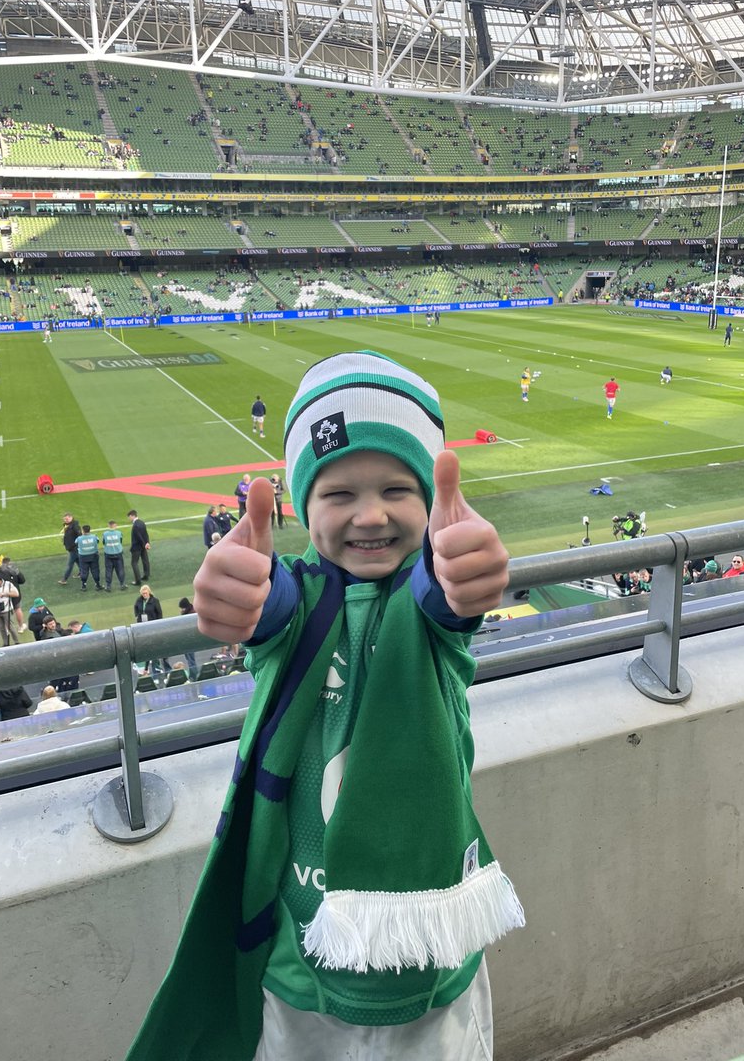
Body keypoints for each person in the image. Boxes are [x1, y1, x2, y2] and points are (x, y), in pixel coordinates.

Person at [126, 350, 523, 1061]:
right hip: (299, 964)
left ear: (430, 501)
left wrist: (471, 572)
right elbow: (268, 603)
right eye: (338, 495)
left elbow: (450, 599)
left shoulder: (427, 604)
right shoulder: (295, 604)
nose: (370, 515)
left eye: (398, 489)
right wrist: (234, 591)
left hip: (428, 974)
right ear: (302, 506)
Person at [135, 584, 168, 676]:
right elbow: (136, 608)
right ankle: (150, 665)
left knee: (154, 645)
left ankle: (157, 665)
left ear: (149, 592)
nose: (144, 595)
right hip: (143, 626)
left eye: (145, 593)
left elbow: (159, 613)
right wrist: (137, 617)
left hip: (153, 626)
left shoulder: (155, 601)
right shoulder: (139, 600)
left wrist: (159, 625)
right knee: (147, 645)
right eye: (143, 593)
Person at [0, 556, 26, 633]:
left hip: (3, 596)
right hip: (15, 594)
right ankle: (21, 627)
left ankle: (7, 629)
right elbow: (22, 580)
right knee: (17, 609)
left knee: (6, 612)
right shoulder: (14, 571)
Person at [177, 596, 199, 680]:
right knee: (190, 659)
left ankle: (194, 676)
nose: (181, 610)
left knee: (191, 660)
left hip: (190, 639)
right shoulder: (190, 611)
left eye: (182, 608)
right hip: (188, 639)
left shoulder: (191, 613)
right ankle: (193, 674)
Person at [102, 519, 127, 591]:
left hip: (108, 555)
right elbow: (120, 541)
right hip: (118, 554)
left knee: (108, 570)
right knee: (120, 569)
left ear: (108, 525)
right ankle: (122, 584)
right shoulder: (119, 533)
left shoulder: (105, 534)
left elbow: (104, 542)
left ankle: (108, 586)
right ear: (115, 525)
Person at [77, 524, 102, 592]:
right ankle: (97, 585)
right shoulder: (94, 537)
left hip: (83, 557)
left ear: (83, 530)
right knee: (95, 570)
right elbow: (97, 541)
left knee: (84, 571)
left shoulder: (79, 538)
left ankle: (84, 585)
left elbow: (76, 543)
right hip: (93, 556)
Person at [128, 510, 151, 584]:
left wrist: (144, 544)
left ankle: (138, 581)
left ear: (132, 516)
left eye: (129, 517)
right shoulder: (142, 522)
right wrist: (147, 543)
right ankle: (146, 575)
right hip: (143, 546)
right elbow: (145, 534)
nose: (129, 518)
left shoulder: (135, 525)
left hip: (137, 547)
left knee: (134, 563)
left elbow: (139, 537)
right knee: (145, 560)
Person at [59, 511, 81, 584]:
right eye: (65, 519)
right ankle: (82, 573)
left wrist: (76, 544)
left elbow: (79, 535)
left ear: (71, 518)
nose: (66, 520)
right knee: (77, 560)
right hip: (71, 547)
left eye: (67, 519)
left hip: (74, 548)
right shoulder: (67, 525)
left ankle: (64, 579)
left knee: (70, 564)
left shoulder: (75, 526)